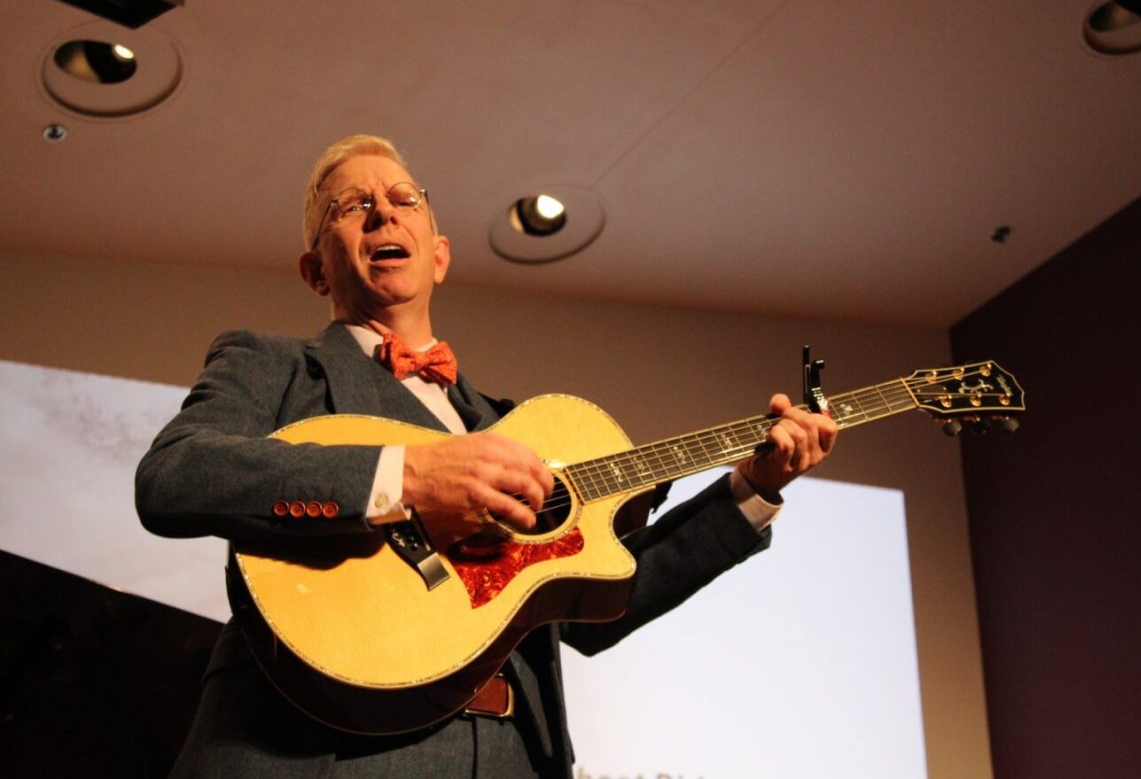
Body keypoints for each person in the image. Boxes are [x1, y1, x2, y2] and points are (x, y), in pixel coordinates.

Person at [136, 134, 837, 778]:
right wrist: (406, 477)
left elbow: (599, 612)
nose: (384, 212)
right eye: (351, 207)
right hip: (319, 751)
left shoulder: (510, 428)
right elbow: (175, 477)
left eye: (405, 199)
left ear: (439, 252)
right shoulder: (272, 364)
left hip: (510, 757)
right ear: (314, 269)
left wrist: (752, 490)